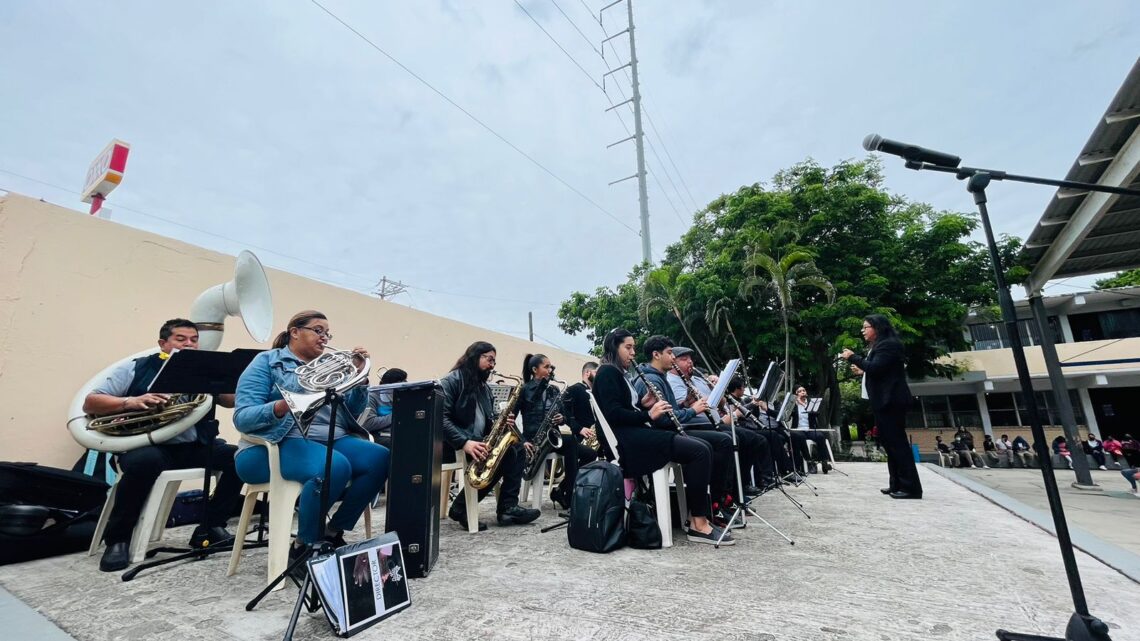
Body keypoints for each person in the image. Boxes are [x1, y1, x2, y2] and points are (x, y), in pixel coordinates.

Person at [84, 318, 244, 572]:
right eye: (181, 339)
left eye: (193, 340)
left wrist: (230, 378)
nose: (189, 344)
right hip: (148, 445)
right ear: (163, 343)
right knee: (143, 464)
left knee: (239, 459)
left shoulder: (201, 370)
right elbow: (91, 402)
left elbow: (229, 401)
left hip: (195, 445)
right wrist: (130, 402)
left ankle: (211, 526)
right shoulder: (136, 367)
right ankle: (119, 539)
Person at [234, 310, 390, 567]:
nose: (324, 337)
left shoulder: (332, 366)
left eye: (327, 333)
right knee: (334, 465)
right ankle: (305, 546)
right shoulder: (267, 362)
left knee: (379, 457)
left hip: (332, 437)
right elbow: (243, 417)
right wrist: (280, 407)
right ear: (295, 332)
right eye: (318, 330)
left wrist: (360, 379)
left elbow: (355, 409)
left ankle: (333, 531)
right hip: (277, 442)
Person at [592, 328, 731, 546]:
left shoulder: (619, 374)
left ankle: (697, 516)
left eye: (633, 348)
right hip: (627, 443)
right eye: (628, 347)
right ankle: (698, 523)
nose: (632, 353)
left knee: (702, 445)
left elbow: (626, 408)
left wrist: (643, 404)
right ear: (613, 347)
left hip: (635, 434)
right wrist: (649, 413)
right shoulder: (607, 373)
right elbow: (614, 414)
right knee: (699, 450)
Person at [633, 337, 738, 524]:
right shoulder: (650, 380)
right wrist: (692, 410)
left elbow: (670, 411)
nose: (673, 357)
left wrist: (685, 403)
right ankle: (708, 506)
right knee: (715, 444)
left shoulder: (659, 377)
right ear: (656, 355)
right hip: (662, 435)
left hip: (669, 431)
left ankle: (716, 501)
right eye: (670, 353)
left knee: (722, 440)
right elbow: (664, 419)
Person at [438, 341, 540, 531]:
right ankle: (462, 507)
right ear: (474, 356)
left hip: (476, 442)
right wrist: (464, 442)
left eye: (494, 361)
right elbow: (440, 419)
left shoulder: (484, 389)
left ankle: (508, 507)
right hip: (451, 445)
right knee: (504, 455)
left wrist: (501, 423)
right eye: (489, 359)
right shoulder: (451, 381)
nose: (493, 365)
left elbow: (487, 422)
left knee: (514, 449)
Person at [667, 347, 776, 493]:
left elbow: (721, 403)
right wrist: (700, 399)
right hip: (696, 424)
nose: (690, 362)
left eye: (690, 358)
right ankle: (725, 492)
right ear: (673, 362)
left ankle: (741, 487)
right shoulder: (672, 381)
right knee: (732, 439)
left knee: (754, 439)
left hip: (713, 422)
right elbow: (687, 407)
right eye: (684, 359)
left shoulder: (698, 379)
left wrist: (718, 387)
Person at [840, 314, 922, 499]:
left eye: (865, 327)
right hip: (883, 401)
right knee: (889, 443)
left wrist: (853, 357)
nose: (863, 331)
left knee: (897, 444)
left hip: (891, 401)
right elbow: (879, 370)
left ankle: (911, 488)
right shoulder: (880, 346)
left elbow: (876, 368)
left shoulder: (889, 344)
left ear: (877, 328)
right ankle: (897, 484)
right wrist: (862, 369)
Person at [516, 353, 596, 510]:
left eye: (551, 366)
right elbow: (511, 419)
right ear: (534, 369)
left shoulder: (553, 390)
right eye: (546, 367)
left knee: (590, 454)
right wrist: (523, 440)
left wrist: (562, 418)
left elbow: (565, 415)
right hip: (534, 439)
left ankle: (564, 489)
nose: (550, 369)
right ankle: (569, 493)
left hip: (553, 437)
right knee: (572, 443)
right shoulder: (525, 390)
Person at [726, 378, 797, 479]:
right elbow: (737, 414)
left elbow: (780, 416)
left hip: (755, 427)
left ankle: (783, 471)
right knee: (770, 436)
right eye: (743, 387)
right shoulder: (734, 399)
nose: (744, 389)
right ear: (737, 388)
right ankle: (775, 473)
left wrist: (763, 408)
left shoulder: (741, 399)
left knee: (778, 436)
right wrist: (753, 404)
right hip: (744, 428)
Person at [360, 368, 408, 448]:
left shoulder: (405, 396)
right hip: (379, 436)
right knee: (402, 443)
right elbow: (368, 423)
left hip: (398, 433)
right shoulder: (372, 396)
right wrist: (396, 416)